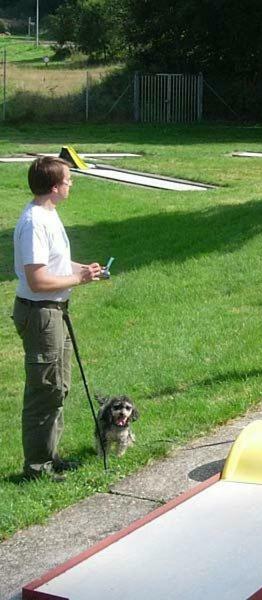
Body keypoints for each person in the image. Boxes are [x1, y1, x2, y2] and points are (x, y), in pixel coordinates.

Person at [12, 157, 103, 481]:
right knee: (45, 390)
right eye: (68, 179)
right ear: (54, 186)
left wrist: (84, 270)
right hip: (40, 313)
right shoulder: (35, 221)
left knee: (58, 388)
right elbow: (37, 280)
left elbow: (54, 264)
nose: (71, 183)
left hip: (53, 311)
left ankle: (50, 457)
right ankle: (37, 468)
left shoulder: (48, 214)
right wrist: (79, 281)